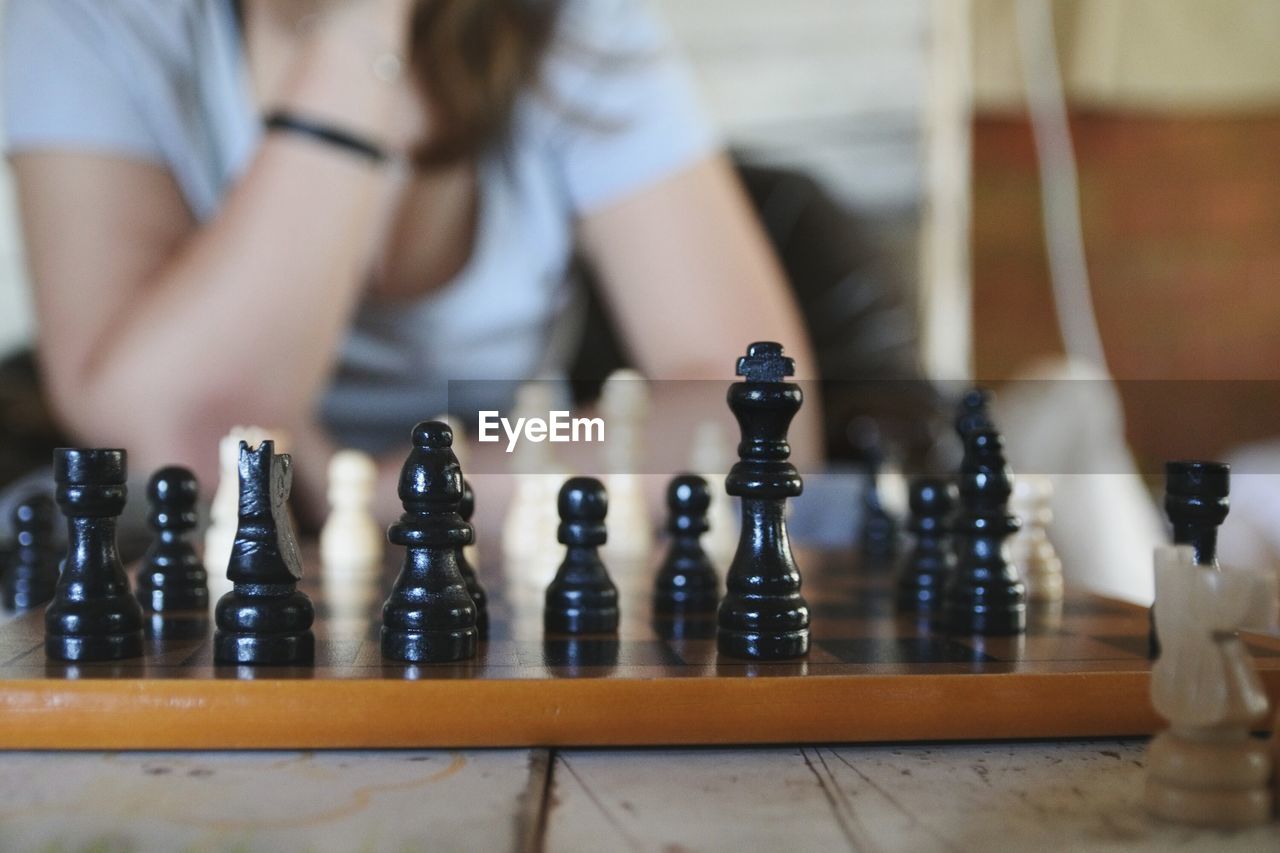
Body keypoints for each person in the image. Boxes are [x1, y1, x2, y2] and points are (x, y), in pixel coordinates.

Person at [2, 0, 819, 522]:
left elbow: (757, 418)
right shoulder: (81, 21)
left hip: (487, 519)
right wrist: (359, 44)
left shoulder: (581, 27)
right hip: (212, 562)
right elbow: (176, 431)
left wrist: (417, 480)